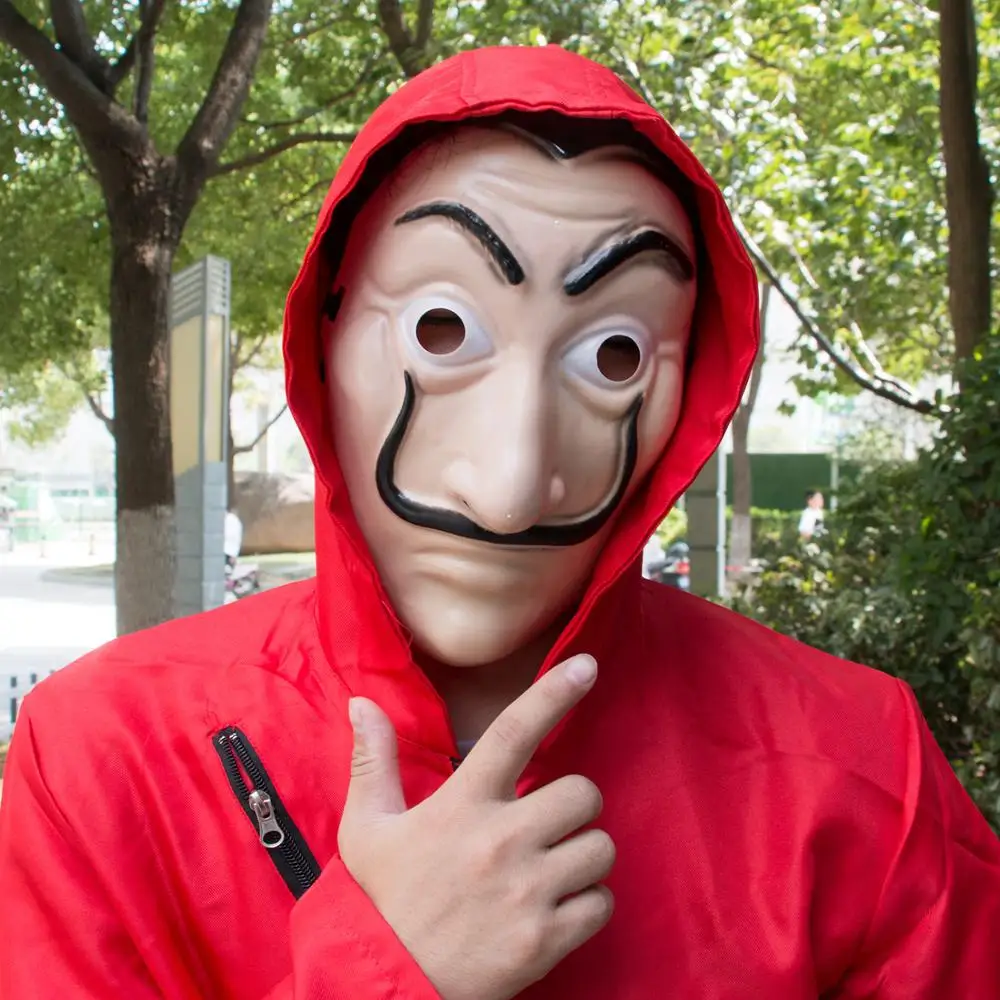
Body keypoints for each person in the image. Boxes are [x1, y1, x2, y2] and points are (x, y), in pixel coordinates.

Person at [1, 46, 998, 1000]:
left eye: (613, 357)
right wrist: (388, 972)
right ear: (323, 336)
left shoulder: (862, 771)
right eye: (442, 330)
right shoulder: (103, 759)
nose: (512, 489)